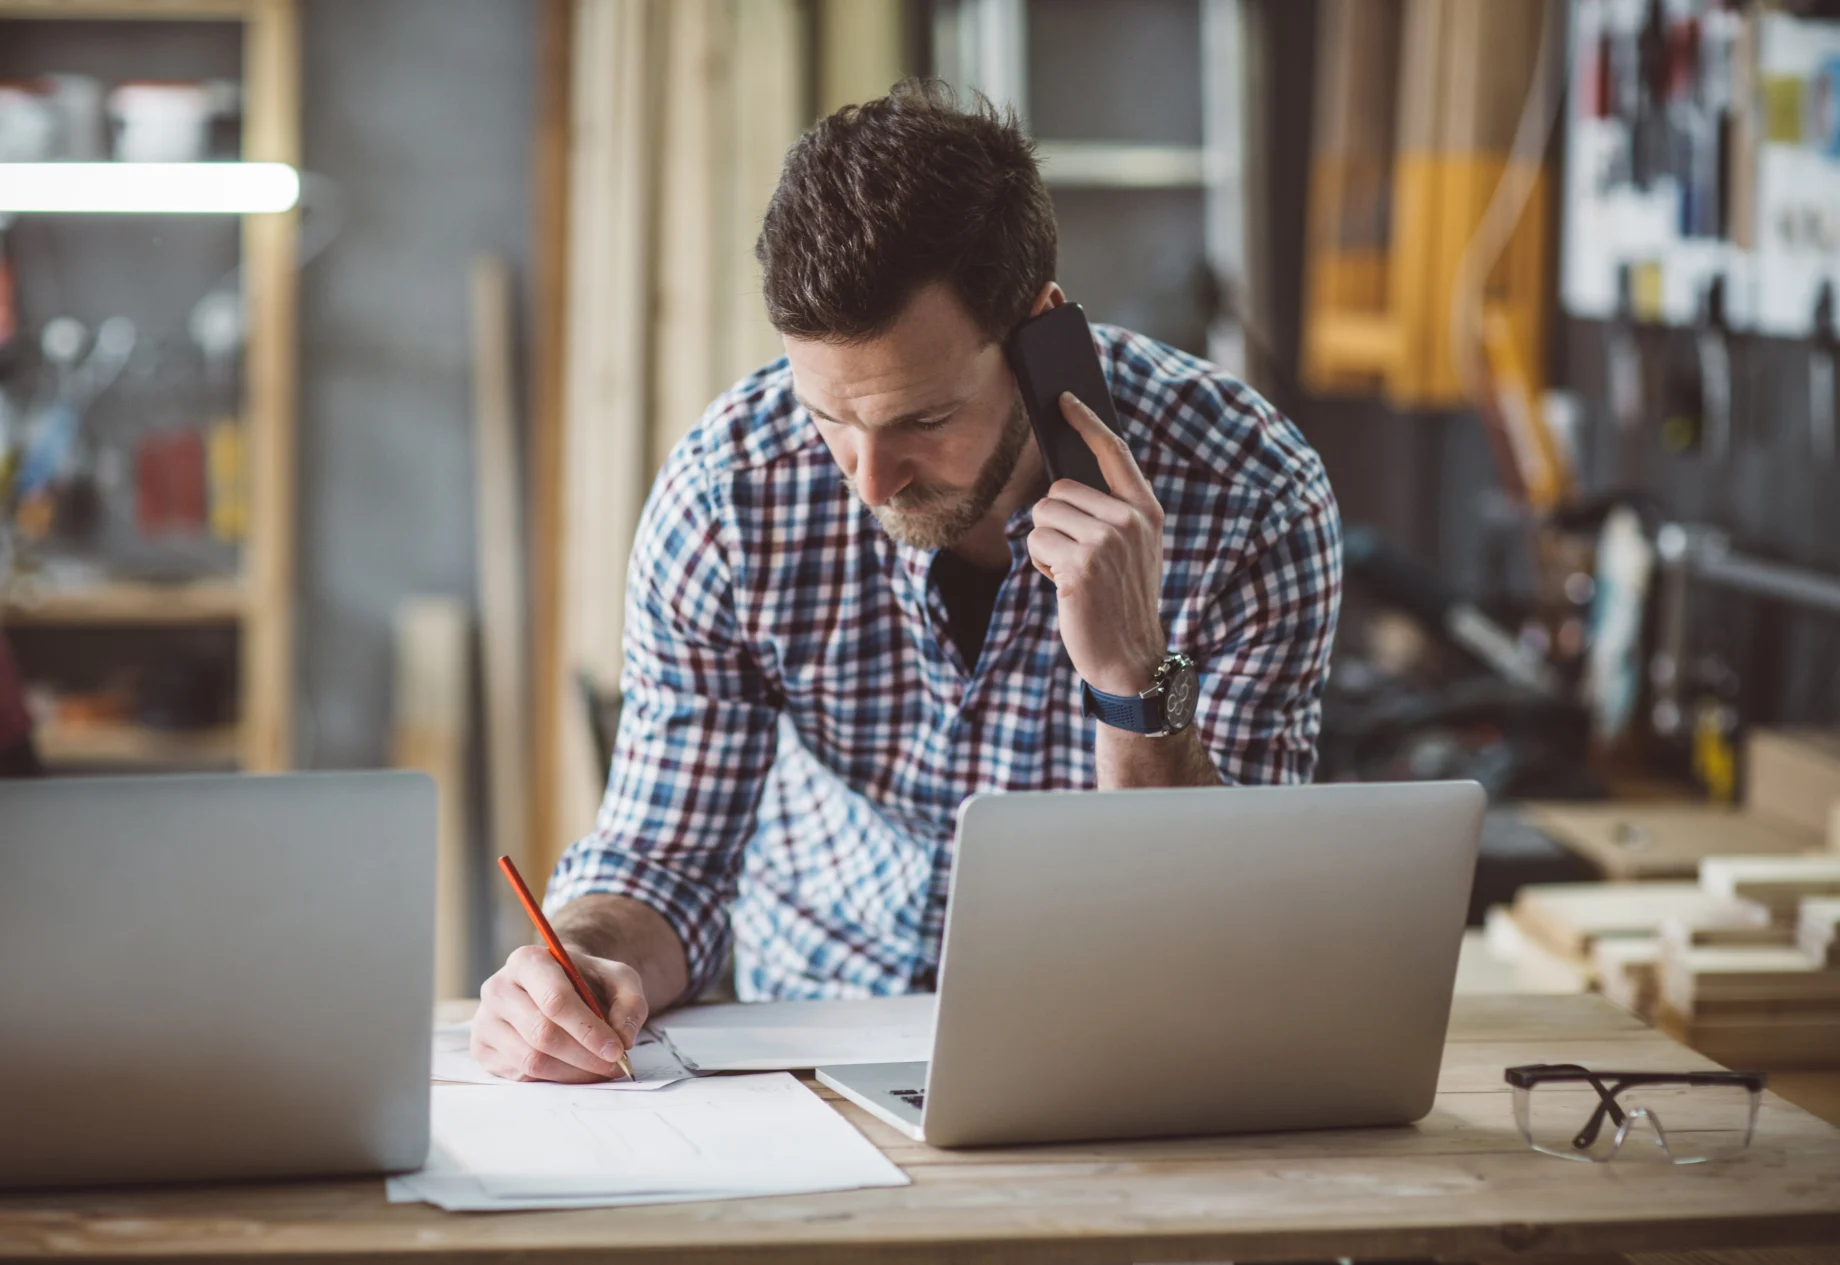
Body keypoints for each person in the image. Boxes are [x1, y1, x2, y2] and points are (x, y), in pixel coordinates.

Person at [471, 81, 1342, 1084]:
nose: (870, 480)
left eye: (923, 418)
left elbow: (1223, 935)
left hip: (1105, 1053)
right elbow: (666, 858)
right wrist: (584, 958)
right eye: (829, 417)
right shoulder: (730, 489)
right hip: (805, 1045)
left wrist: (1136, 680)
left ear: (1039, 334)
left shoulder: (1248, 495)